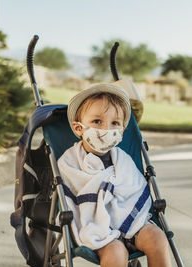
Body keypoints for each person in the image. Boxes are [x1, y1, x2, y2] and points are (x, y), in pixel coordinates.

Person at [58, 82, 171, 267]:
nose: (106, 129)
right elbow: (72, 198)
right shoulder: (70, 161)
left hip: (132, 223)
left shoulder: (123, 160)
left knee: (157, 238)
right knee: (117, 252)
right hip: (97, 228)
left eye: (115, 123)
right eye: (97, 121)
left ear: (122, 132)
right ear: (79, 128)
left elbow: (132, 190)